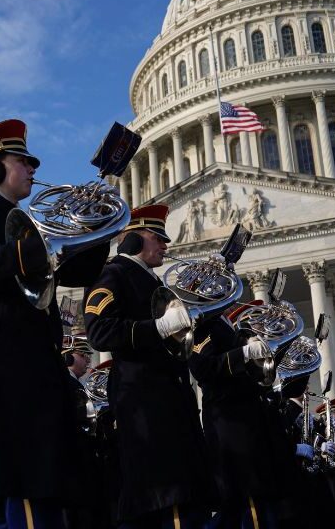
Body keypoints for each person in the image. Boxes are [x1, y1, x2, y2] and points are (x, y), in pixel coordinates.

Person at [0, 119, 108, 528]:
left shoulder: (28, 220)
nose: (34, 169)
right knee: (27, 482)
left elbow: (73, 271)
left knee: (22, 491)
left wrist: (98, 226)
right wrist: (35, 247)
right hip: (5, 356)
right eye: (23, 161)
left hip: (30, 358)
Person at [84, 204, 212, 528]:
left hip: (169, 403)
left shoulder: (153, 281)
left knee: (185, 499)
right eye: (157, 238)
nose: (165, 246)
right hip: (144, 403)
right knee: (164, 503)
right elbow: (100, 331)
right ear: (135, 238)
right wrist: (158, 328)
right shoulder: (112, 272)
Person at [189, 299, 304, 529]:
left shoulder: (226, 326)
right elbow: (203, 369)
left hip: (249, 424)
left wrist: (277, 349)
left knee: (259, 502)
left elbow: (256, 378)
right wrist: (244, 353)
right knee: (248, 504)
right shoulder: (205, 327)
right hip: (232, 426)